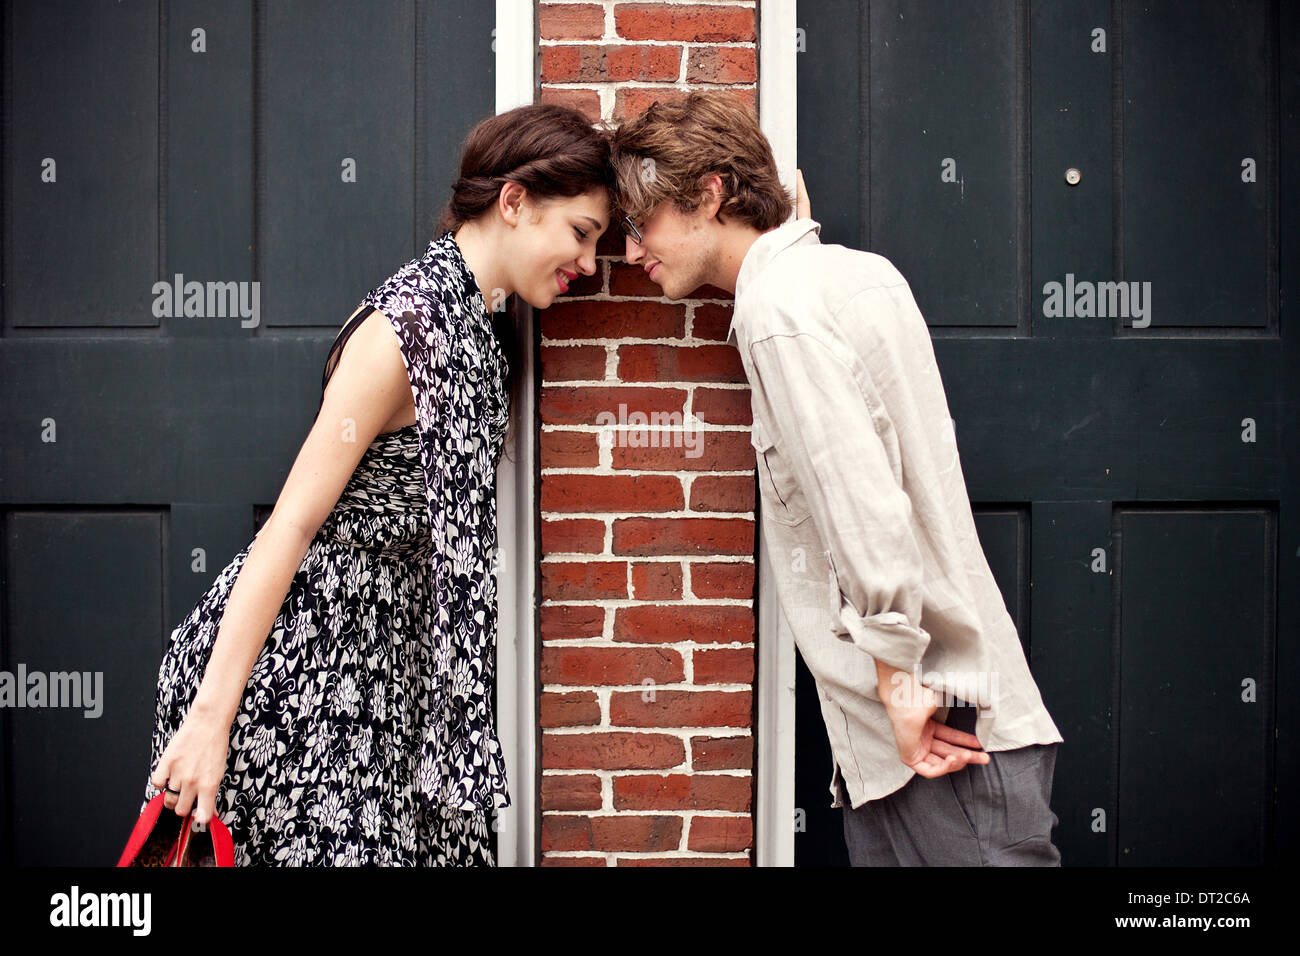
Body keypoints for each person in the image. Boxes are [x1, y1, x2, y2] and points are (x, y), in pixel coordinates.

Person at [142, 103, 613, 865]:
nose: (588, 263)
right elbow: (291, 525)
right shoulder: (405, 333)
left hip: (397, 680)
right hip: (315, 681)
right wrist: (207, 723)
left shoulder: (483, 325)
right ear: (516, 202)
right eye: (582, 234)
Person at [609, 92, 1064, 866]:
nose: (629, 253)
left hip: (934, 730)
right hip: (919, 732)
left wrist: (898, 686)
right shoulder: (855, 276)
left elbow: (865, 504)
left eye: (640, 222)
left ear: (711, 193)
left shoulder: (777, 312)